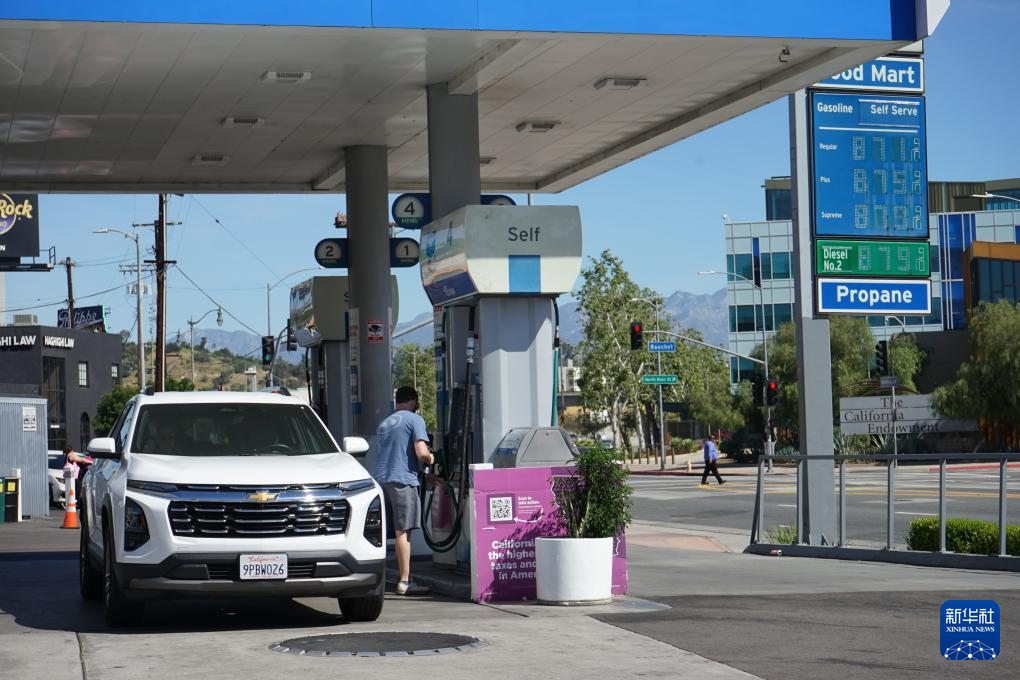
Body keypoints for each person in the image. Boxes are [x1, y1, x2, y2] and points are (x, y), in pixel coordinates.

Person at [371, 386, 434, 596]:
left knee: (382, 533)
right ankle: (405, 581)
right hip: (402, 481)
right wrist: (431, 458)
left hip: (381, 481)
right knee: (403, 533)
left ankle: (374, 578)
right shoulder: (415, 419)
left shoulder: (385, 423)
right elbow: (421, 452)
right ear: (414, 401)